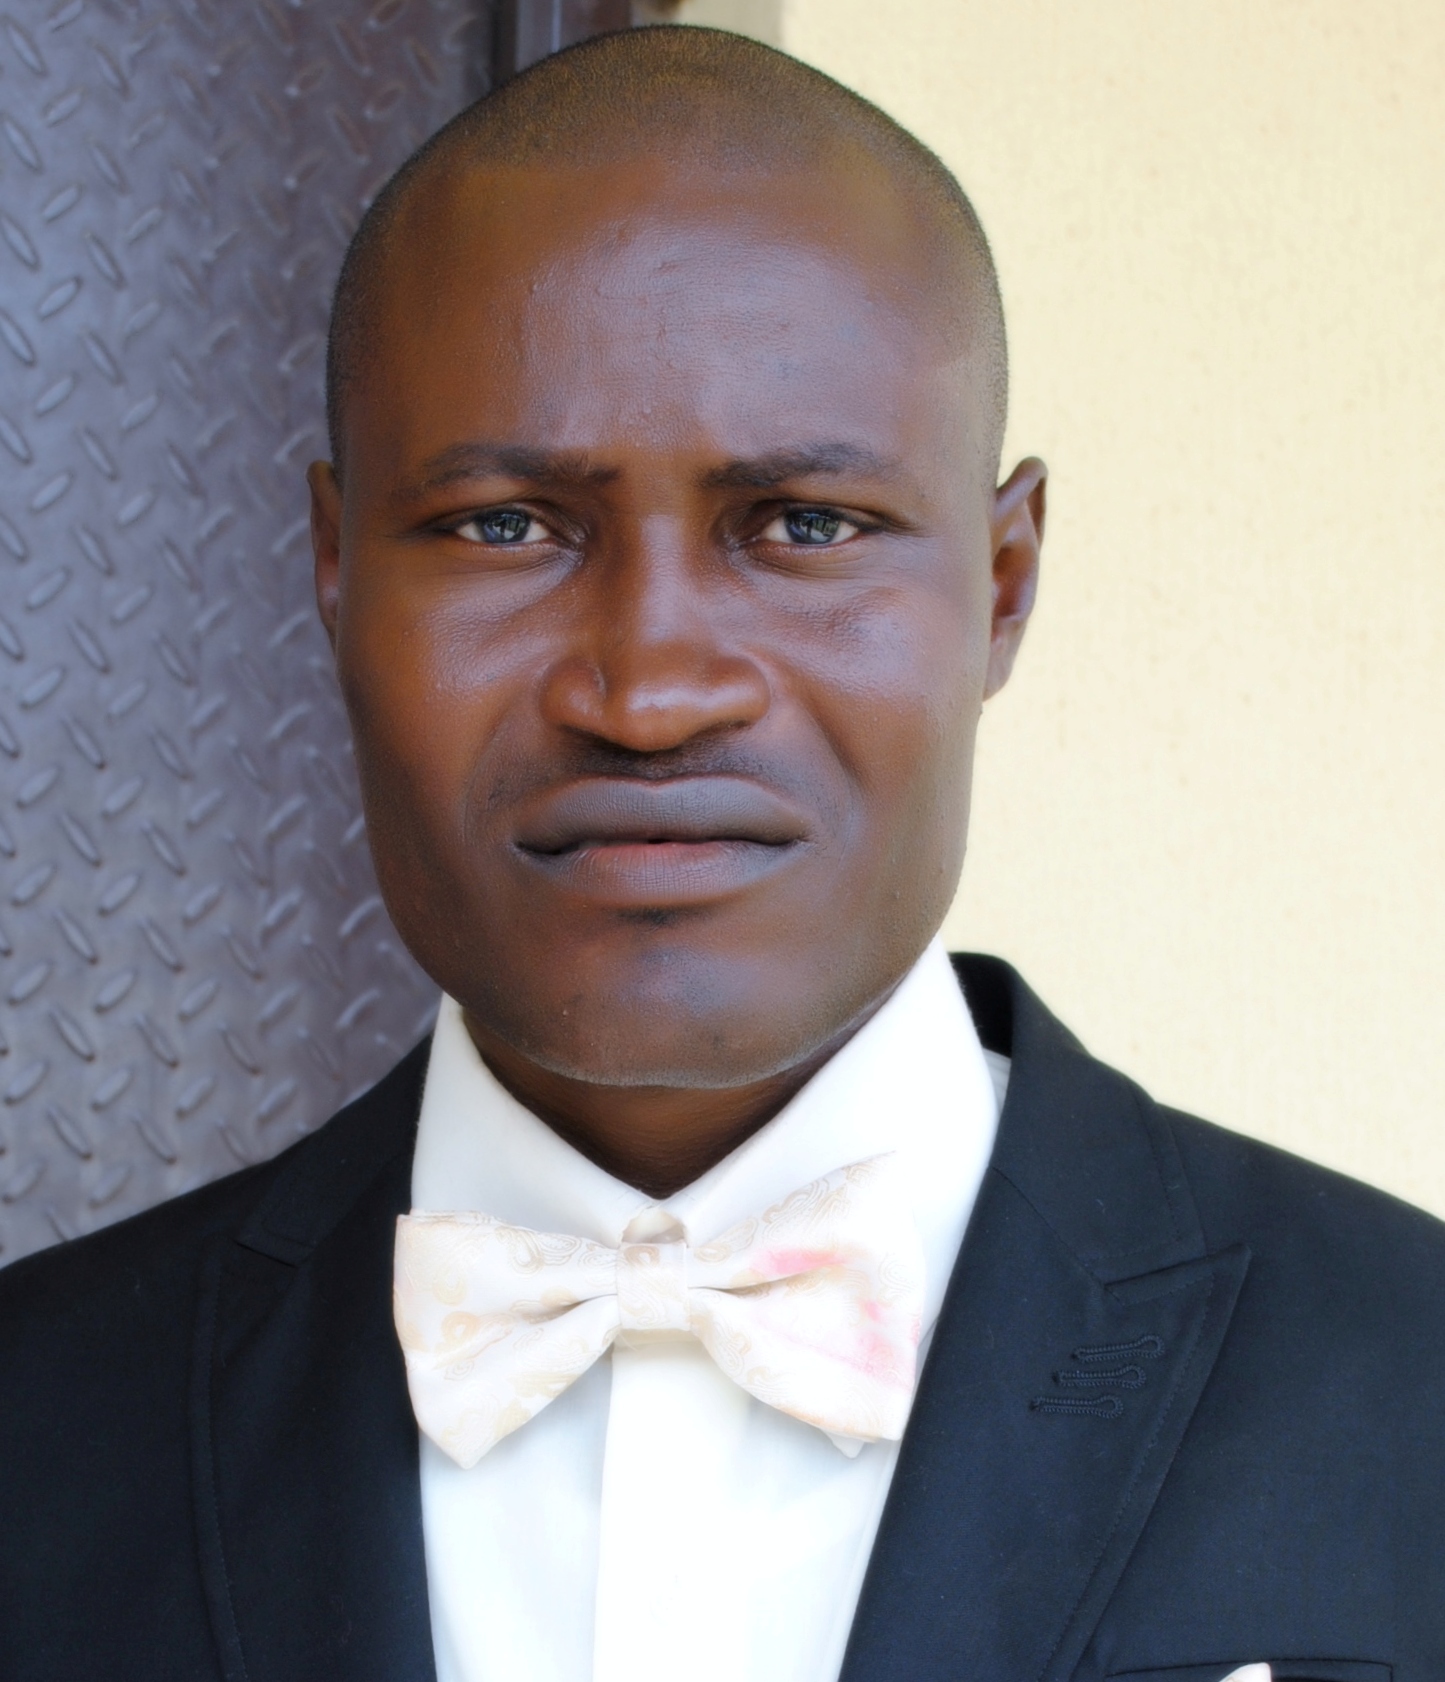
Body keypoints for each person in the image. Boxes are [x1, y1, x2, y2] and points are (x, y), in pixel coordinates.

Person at [0, 26, 1441, 1682]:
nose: (648, 690)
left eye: (805, 525)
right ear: (337, 574)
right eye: (502, 526)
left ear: (1001, 583)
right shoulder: (39, 1428)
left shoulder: (1411, 1386)